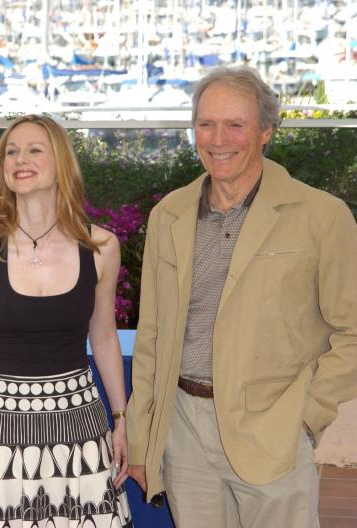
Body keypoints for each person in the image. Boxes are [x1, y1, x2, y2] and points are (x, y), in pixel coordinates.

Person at [126, 66, 357, 527]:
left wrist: (305, 417)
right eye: (206, 123)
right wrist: (142, 437)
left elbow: (352, 331)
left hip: (273, 429)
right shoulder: (169, 214)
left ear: (267, 130)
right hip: (184, 432)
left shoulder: (321, 216)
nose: (218, 139)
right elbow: (151, 335)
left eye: (236, 124)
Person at [0, 114, 133, 527]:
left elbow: (104, 338)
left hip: (80, 425)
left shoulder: (102, 247)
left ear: (61, 163)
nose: (21, 159)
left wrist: (121, 422)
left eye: (35, 149)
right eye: (12, 152)